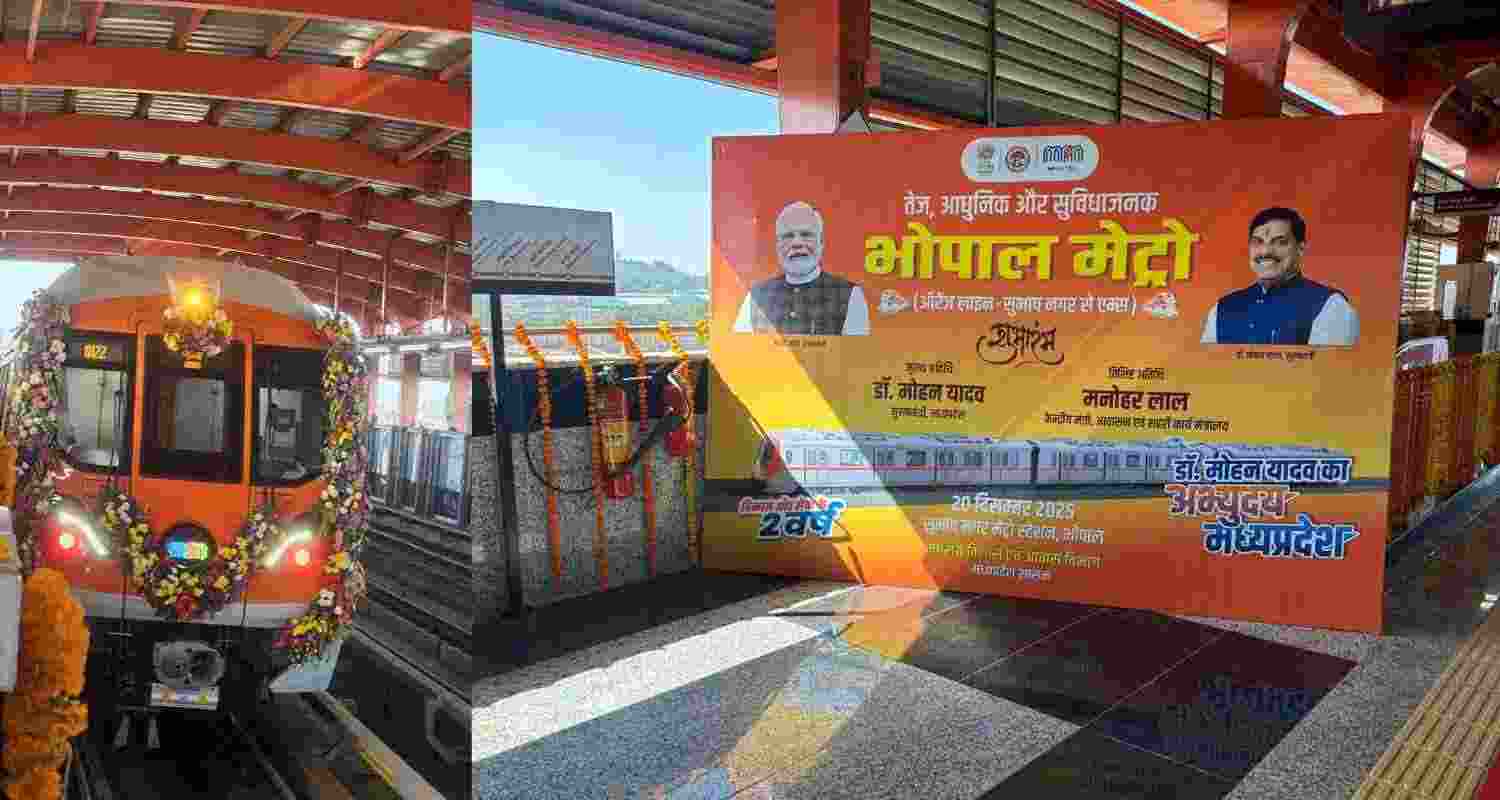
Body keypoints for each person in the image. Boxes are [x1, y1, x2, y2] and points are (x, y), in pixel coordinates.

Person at [1201, 207, 1359, 346]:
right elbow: (1207, 374)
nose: (1266, 252)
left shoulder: (1330, 307)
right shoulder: (1223, 309)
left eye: (1280, 242)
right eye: (1258, 242)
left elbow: (1326, 377)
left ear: (1300, 248)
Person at [732, 201, 871, 336]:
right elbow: (740, 351)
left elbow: (857, 355)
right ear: (777, 245)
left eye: (806, 234)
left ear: (821, 242)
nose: (797, 243)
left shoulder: (850, 294)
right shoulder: (755, 296)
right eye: (788, 236)